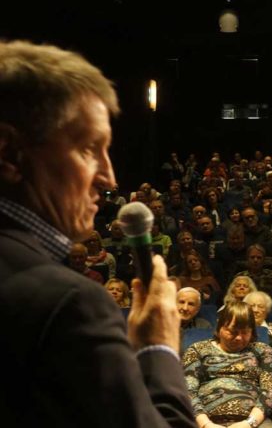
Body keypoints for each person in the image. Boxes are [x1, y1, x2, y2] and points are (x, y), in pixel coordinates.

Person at [0, 40, 194, 425]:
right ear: (8, 154)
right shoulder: (69, 303)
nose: (109, 178)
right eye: (89, 149)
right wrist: (158, 349)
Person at [183, 302, 272, 427]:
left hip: (254, 421)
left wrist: (249, 423)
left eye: (245, 332)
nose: (239, 338)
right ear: (219, 328)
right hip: (204, 421)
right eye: (232, 332)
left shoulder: (263, 350)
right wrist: (206, 424)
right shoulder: (197, 349)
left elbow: (271, 390)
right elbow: (187, 389)